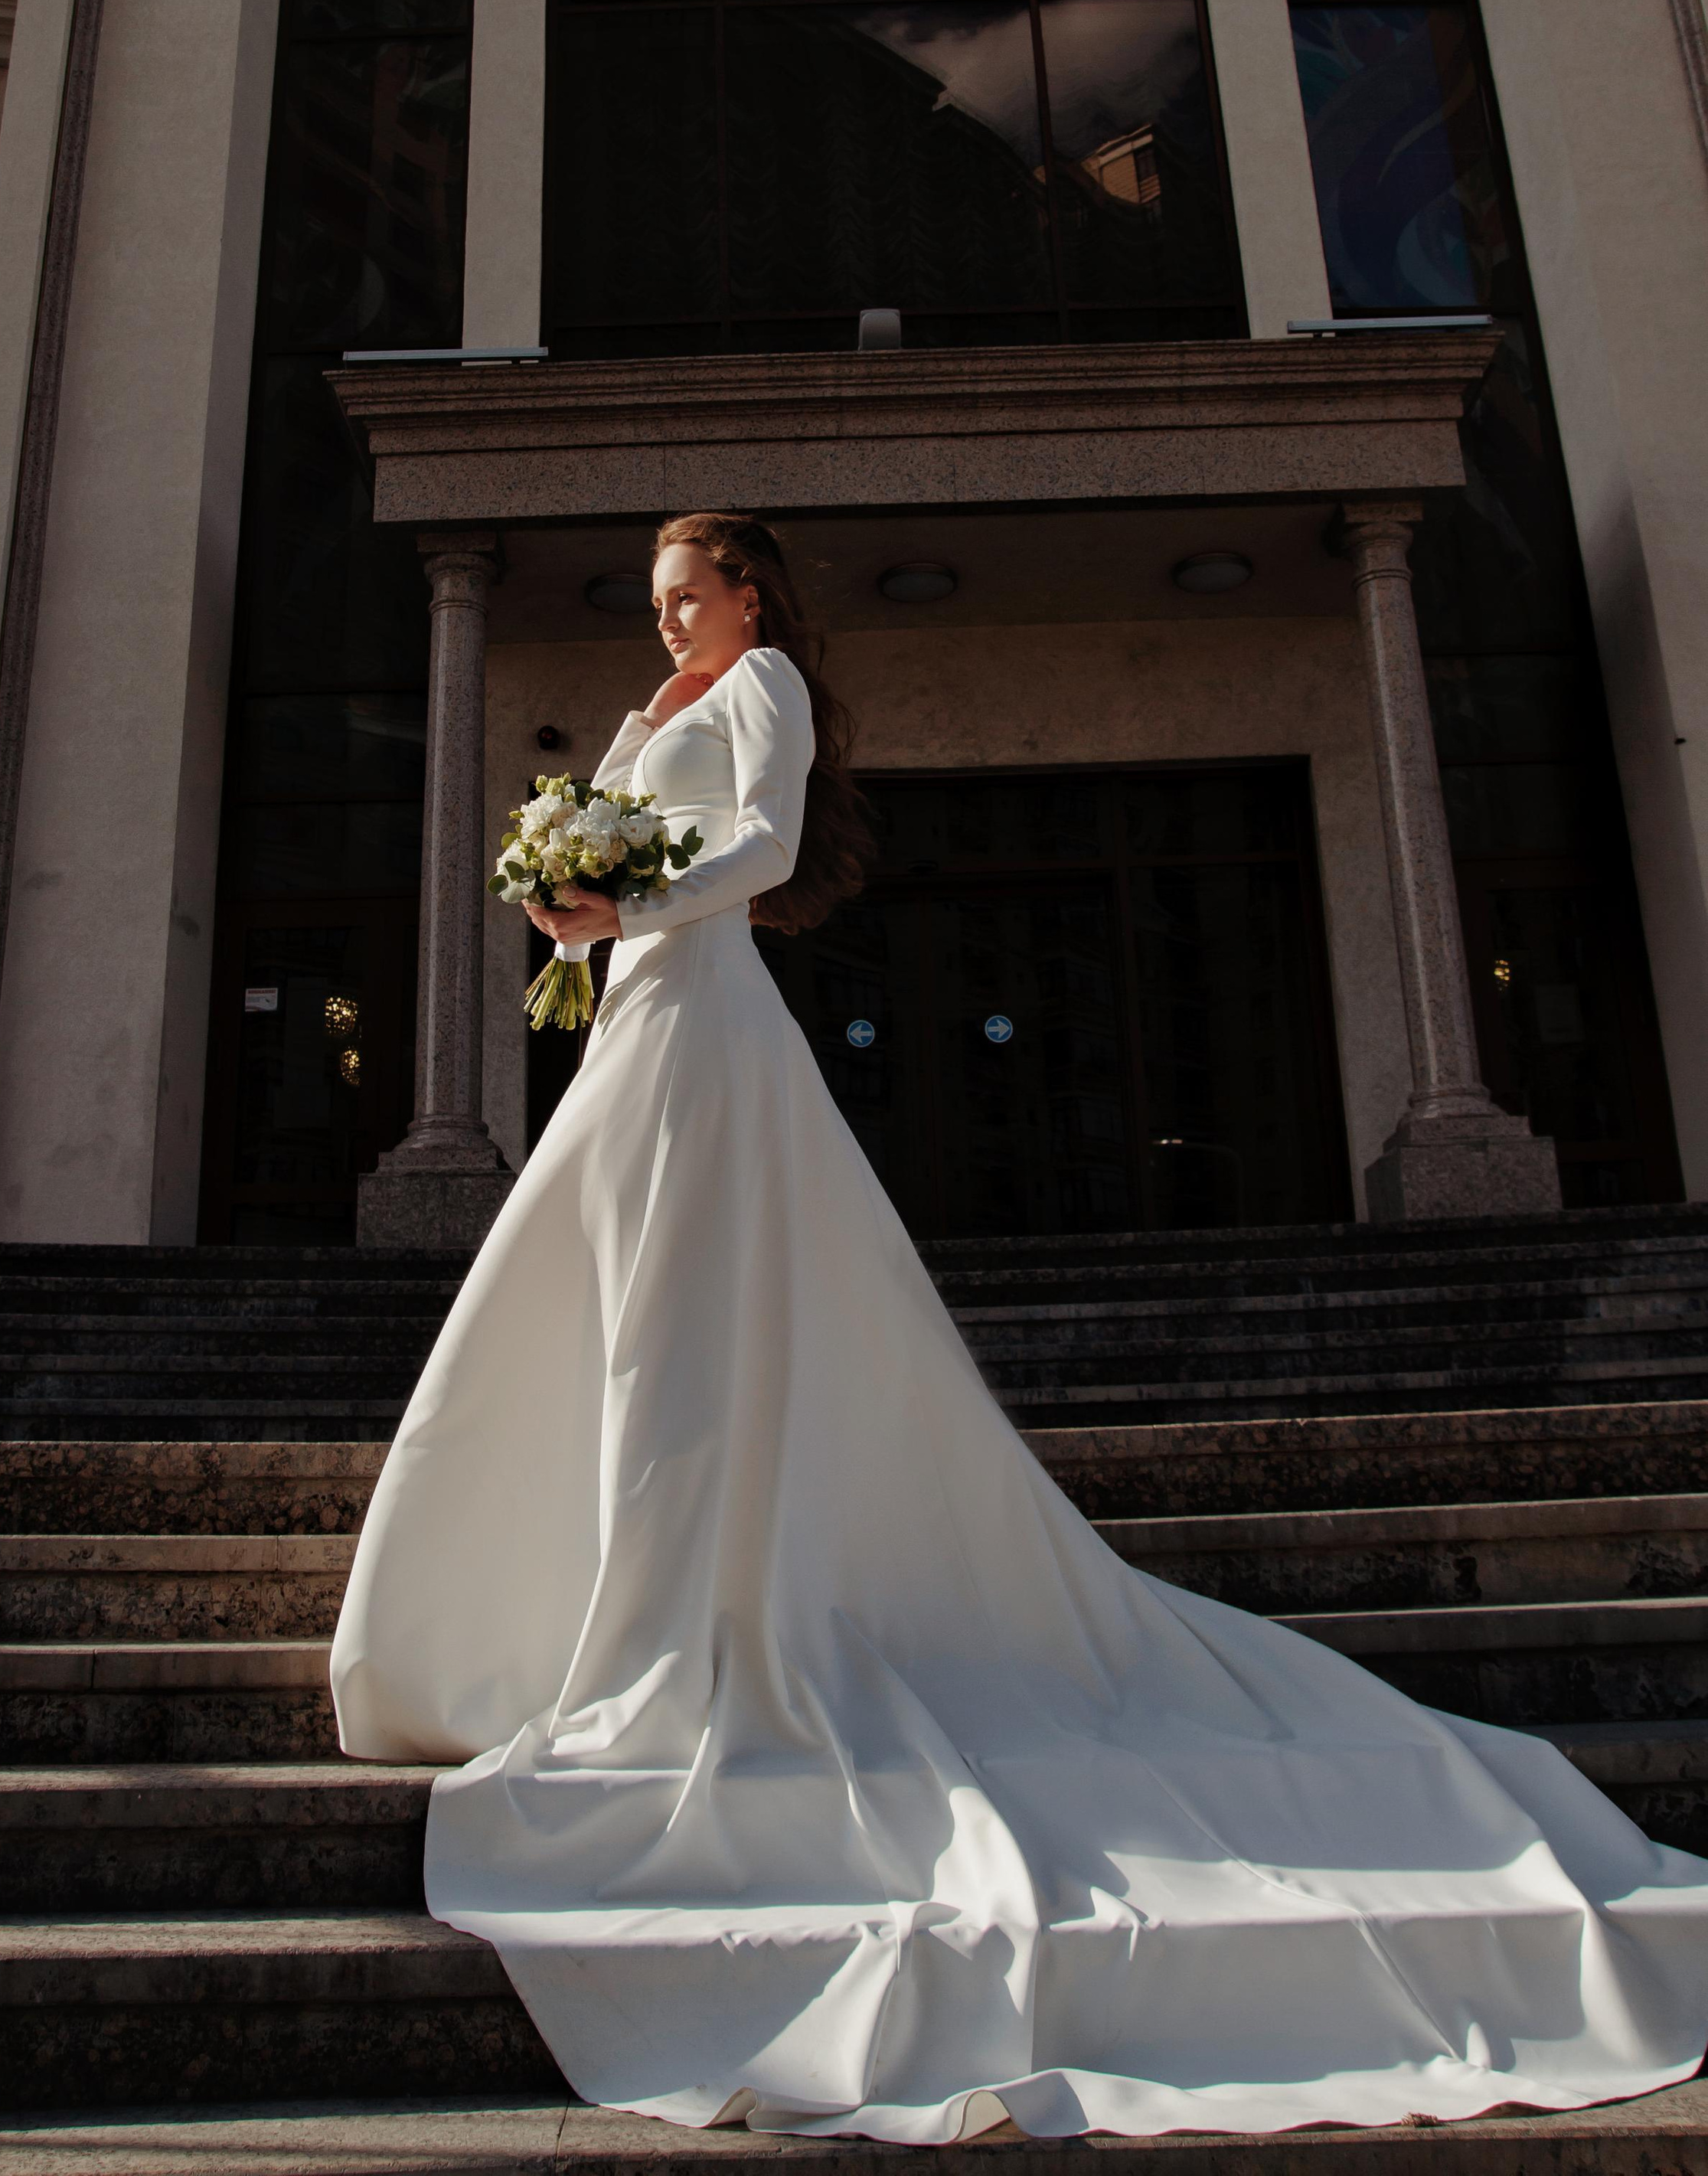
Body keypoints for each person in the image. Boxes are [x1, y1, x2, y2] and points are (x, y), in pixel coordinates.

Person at [331, 511, 1708, 2145]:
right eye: (654, 603)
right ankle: (578, 1599)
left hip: (701, 1023)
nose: (667, 621)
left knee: (691, 1322)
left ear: (748, 591)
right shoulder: (666, 709)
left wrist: (617, 899)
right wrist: (580, 867)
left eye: (684, 593)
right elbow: (639, 834)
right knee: (605, 1304)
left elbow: (761, 851)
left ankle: (691, 1609)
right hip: (636, 1019)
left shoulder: (764, 681)